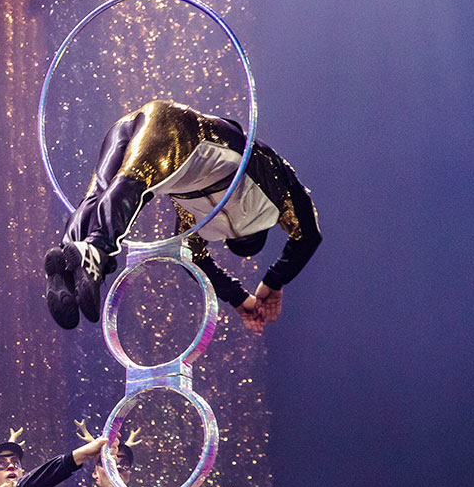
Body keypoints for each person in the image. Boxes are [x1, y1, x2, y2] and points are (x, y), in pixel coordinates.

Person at [44, 99, 321, 334]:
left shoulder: (199, 221)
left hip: (129, 126)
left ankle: (67, 261)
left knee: (98, 195)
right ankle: (97, 249)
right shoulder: (270, 194)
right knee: (134, 182)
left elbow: (195, 264)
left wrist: (240, 297)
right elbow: (308, 236)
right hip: (181, 131)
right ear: (248, 233)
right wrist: (272, 282)